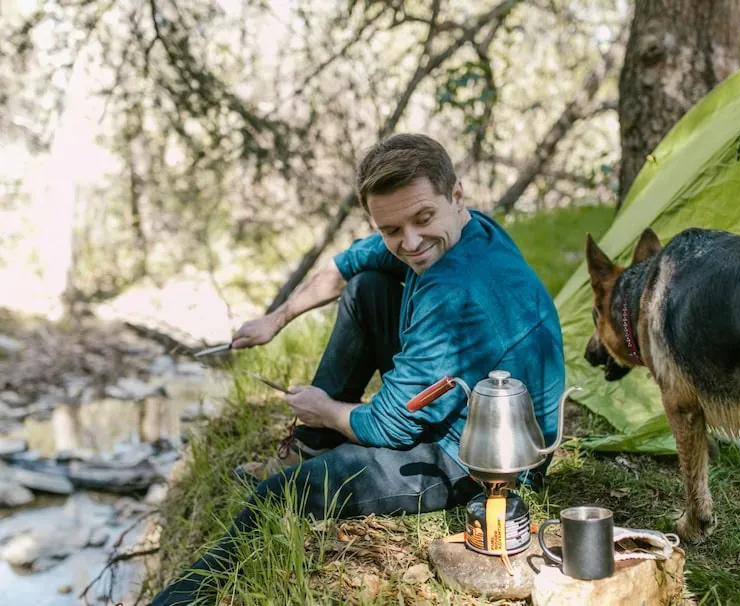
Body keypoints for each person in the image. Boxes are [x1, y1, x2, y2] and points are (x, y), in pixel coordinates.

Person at [150, 133, 566, 605]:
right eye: (391, 228)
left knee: (277, 495)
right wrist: (278, 318)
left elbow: (388, 425)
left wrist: (324, 407)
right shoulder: (470, 227)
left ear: (456, 195)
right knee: (368, 287)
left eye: (423, 219)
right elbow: (346, 264)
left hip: (484, 458)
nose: (410, 242)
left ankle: (177, 599)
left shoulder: (457, 291)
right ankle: (311, 444)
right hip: (465, 398)